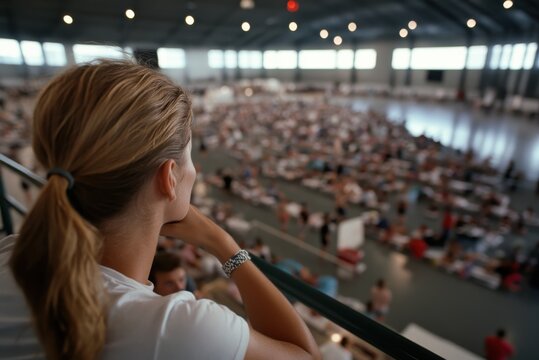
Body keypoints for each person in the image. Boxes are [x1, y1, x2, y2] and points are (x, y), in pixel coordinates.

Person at [0, 61, 319, 360]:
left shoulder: (12, 254)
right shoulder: (178, 327)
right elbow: (306, 356)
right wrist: (222, 243)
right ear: (168, 178)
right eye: (190, 157)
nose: (194, 171)